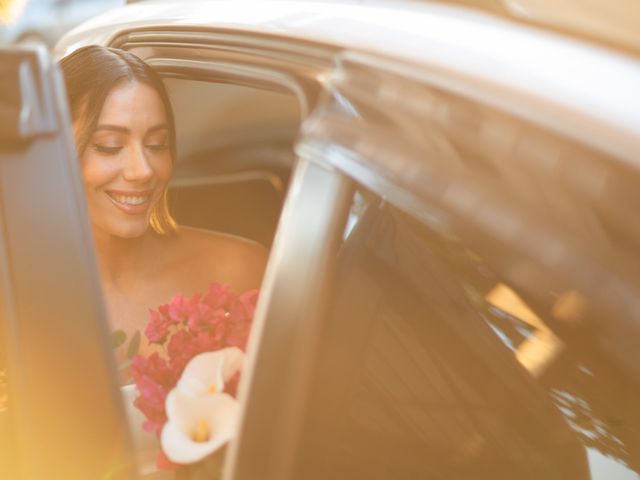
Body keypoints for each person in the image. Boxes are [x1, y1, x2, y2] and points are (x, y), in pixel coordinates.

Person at [59, 46, 268, 368]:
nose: (143, 170)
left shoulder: (238, 270)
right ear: (52, 152)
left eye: (157, 145)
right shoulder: (15, 294)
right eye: (109, 146)